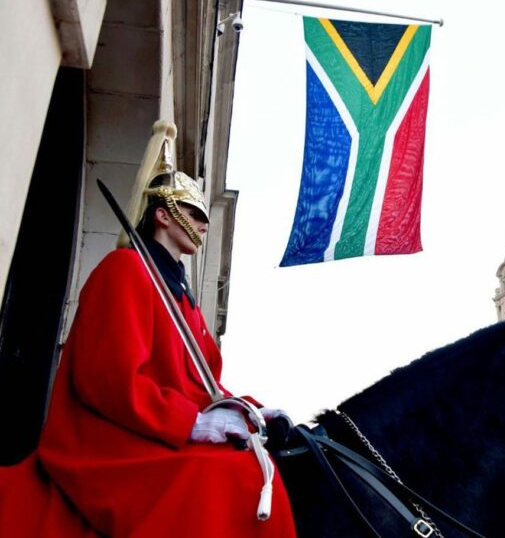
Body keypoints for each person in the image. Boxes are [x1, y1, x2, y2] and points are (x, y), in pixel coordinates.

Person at [0, 121, 297, 537]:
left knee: (255, 464)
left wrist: (251, 410)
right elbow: (109, 379)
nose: (204, 224)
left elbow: (204, 386)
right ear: (163, 214)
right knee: (222, 477)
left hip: (156, 426)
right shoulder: (124, 271)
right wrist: (190, 424)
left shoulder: (184, 301)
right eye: (194, 214)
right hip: (112, 433)